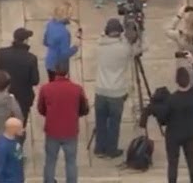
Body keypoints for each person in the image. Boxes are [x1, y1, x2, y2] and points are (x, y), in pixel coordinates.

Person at [94, 18, 142, 158]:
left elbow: (102, 36)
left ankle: (99, 148)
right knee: (114, 123)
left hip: (100, 90)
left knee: (101, 121)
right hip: (116, 92)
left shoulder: (100, 45)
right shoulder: (124, 48)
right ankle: (111, 150)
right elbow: (138, 49)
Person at [36, 59, 89, 183]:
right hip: (70, 130)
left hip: (52, 130)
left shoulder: (46, 89)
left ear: (55, 71)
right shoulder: (77, 89)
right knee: (71, 161)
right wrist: (75, 115)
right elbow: (84, 109)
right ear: (67, 72)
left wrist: (50, 115)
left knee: (50, 160)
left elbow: (41, 108)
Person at [0, 28, 41, 125]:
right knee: (18, 128)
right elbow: (35, 80)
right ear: (26, 40)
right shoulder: (31, 58)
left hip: (3, 96)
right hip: (22, 99)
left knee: (3, 127)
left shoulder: (2, 53)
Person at [43, 2, 80, 80]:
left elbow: (45, 42)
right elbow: (65, 54)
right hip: (60, 66)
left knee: (52, 83)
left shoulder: (50, 23)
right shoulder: (64, 33)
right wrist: (75, 47)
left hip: (49, 61)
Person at [0, 117, 26, 183]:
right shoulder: (2, 147)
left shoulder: (15, 141)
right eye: (20, 128)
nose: (23, 130)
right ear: (13, 129)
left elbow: (19, 158)